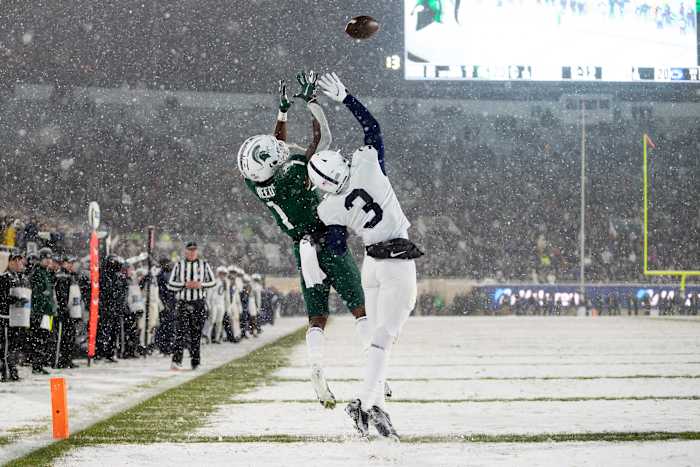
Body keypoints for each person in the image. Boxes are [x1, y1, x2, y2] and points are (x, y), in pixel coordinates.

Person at [237, 72, 371, 408]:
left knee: (317, 318)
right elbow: (322, 138)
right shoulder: (296, 171)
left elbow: (274, 148)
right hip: (327, 240)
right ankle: (375, 372)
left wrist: (282, 113)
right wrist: (310, 102)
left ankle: (316, 366)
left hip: (302, 249)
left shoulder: (257, 185)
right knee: (360, 309)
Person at [307, 72, 423, 440]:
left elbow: (338, 246)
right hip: (396, 258)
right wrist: (346, 97)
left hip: (370, 264)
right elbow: (372, 127)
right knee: (384, 338)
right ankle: (364, 403)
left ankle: (376, 407)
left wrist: (315, 241)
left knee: (378, 337)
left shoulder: (329, 209)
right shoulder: (367, 165)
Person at [167, 241, 215, 370]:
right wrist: (184, 284)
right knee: (180, 332)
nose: (192, 252)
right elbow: (170, 284)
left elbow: (212, 282)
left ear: (197, 251)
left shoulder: (204, 264)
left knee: (196, 334)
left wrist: (201, 285)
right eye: (190, 250)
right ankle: (176, 360)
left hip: (198, 302)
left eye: (194, 250)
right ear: (186, 251)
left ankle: (195, 362)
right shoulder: (179, 265)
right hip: (183, 302)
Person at [0, 249, 28, 382]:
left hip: (16, 317)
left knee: (13, 347)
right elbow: (2, 297)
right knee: (5, 347)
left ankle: (12, 371)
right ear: (10, 262)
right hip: (5, 317)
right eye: (15, 260)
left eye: (19, 260)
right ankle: (5, 372)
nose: (18, 263)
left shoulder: (18, 277)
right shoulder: (4, 277)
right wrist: (16, 300)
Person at [29, 248, 56, 375]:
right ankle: (37, 364)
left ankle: (41, 362)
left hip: (47, 311)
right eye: (46, 258)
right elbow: (36, 294)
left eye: (50, 258)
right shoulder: (37, 273)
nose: (48, 261)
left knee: (45, 337)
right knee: (39, 337)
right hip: (40, 311)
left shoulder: (47, 272)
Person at [53, 255, 80, 368]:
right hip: (64, 312)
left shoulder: (70, 276)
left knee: (69, 336)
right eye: (70, 263)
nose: (72, 265)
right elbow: (62, 295)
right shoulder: (62, 276)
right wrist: (63, 307)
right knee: (63, 336)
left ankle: (67, 359)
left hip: (70, 311)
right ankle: (61, 360)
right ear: (64, 263)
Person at [204, 267, 230, 344]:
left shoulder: (225, 283)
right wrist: (208, 304)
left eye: (224, 274)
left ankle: (217, 338)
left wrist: (227, 307)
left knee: (219, 322)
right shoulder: (214, 282)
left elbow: (226, 296)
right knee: (212, 320)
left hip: (221, 303)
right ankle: (207, 336)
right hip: (214, 303)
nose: (222, 275)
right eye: (221, 274)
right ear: (218, 274)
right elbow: (209, 293)